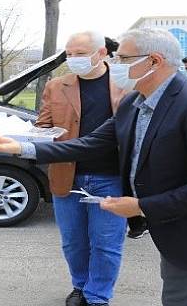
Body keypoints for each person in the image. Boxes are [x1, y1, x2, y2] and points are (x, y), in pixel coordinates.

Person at [0, 28, 187, 306]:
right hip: (175, 230)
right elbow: (89, 144)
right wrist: (19, 148)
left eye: (123, 58)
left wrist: (142, 206)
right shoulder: (134, 101)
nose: (115, 64)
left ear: (154, 61)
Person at [36, 31, 126, 306]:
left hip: (112, 177)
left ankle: (97, 296)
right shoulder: (56, 85)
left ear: (101, 53)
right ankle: (80, 285)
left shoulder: (127, 82)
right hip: (68, 175)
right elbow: (43, 125)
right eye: (69, 54)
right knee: (74, 242)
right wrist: (35, 136)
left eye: (80, 53)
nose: (73, 59)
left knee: (106, 244)